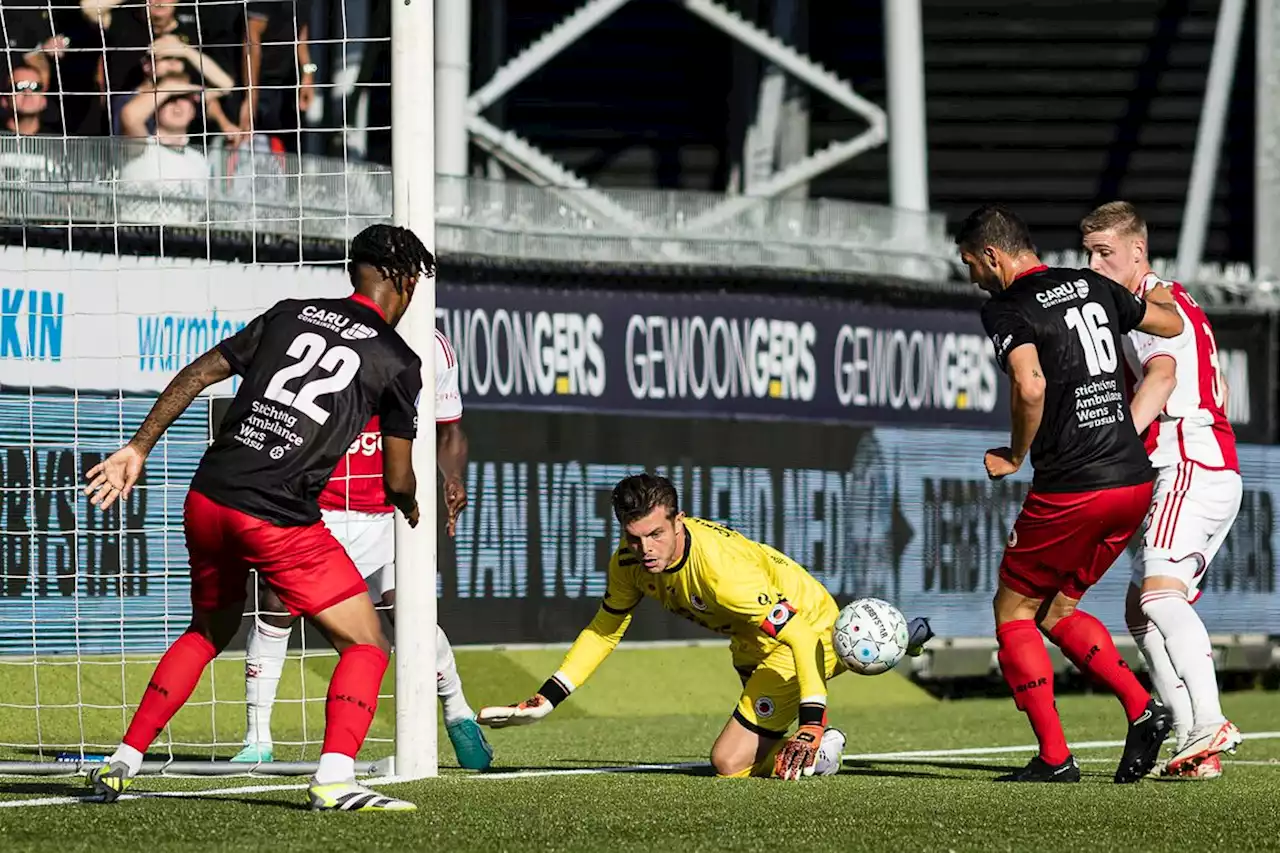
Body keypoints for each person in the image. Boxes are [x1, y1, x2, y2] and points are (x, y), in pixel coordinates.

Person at [82, 223, 434, 812]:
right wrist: (413, 505)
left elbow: (197, 375)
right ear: (399, 279)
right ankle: (334, 779)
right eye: (416, 282)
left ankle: (124, 759)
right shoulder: (398, 360)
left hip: (209, 498)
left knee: (209, 629)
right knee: (367, 644)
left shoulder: (290, 311)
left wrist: (138, 448)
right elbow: (396, 479)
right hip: (276, 516)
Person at [477, 472, 935, 781]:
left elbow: (797, 635)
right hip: (748, 638)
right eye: (634, 537)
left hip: (807, 627)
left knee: (729, 762)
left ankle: (824, 749)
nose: (646, 549)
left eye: (657, 534)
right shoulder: (628, 561)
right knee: (756, 738)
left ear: (678, 521)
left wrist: (813, 725)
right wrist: (547, 699)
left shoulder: (721, 572)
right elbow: (604, 630)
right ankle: (893, 640)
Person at [958, 203, 1185, 784]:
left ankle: (1055, 758)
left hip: (1074, 486)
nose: (972, 277)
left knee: (1013, 611)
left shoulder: (1006, 305)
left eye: (970, 264)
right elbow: (1172, 324)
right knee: (1061, 610)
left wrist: (1013, 455)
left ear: (993, 255)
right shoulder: (1090, 283)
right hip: (1132, 481)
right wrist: (1148, 291)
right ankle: (1144, 708)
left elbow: (1030, 385)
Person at [232, 330, 494, 771]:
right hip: (321, 505)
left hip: (389, 512)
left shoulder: (435, 346)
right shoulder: (331, 333)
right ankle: (257, 737)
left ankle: (457, 713)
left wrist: (452, 478)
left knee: (409, 614)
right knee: (274, 602)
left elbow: (449, 431)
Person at [1081, 201, 1244, 779]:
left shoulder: (1152, 306)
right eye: (1089, 253)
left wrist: (1115, 441)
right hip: (1203, 464)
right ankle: (1191, 740)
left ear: (1138, 253)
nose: (1095, 264)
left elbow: (1162, 375)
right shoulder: (1170, 297)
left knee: (1157, 597)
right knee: (1141, 610)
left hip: (1185, 460)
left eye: (1106, 253)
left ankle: (1209, 721)